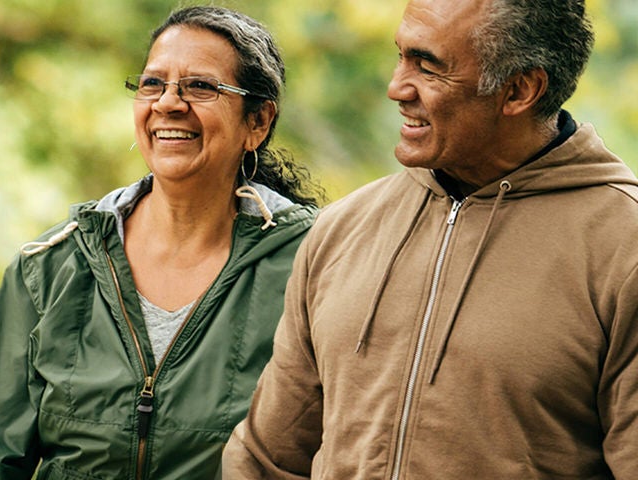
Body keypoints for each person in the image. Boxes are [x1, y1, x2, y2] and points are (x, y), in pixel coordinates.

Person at [222, 0, 638, 478]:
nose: (396, 87)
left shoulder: (623, 248)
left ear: (520, 90)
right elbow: (266, 459)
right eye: (400, 55)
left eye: (428, 66)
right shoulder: (342, 229)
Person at [0, 5, 324, 479]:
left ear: (257, 122)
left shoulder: (313, 266)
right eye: (153, 84)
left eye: (200, 86)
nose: (169, 103)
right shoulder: (54, 267)